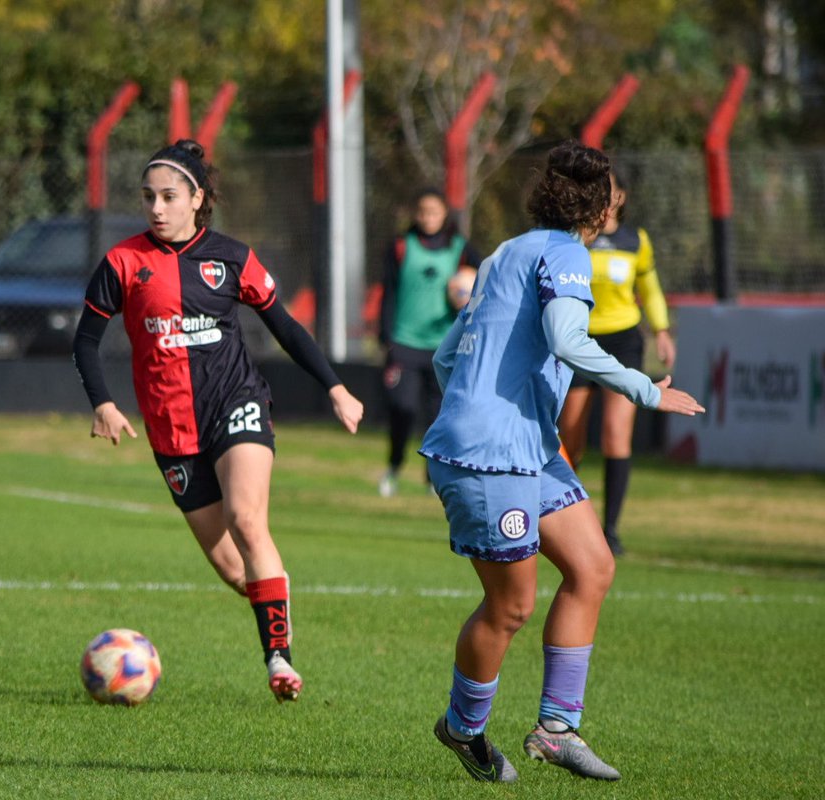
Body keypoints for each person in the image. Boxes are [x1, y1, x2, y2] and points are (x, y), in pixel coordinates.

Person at [419, 141, 703, 781]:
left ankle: (556, 729)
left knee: (592, 564)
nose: (618, 209)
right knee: (511, 607)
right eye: (615, 200)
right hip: (492, 459)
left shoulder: (504, 252)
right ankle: (464, 729)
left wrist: (478, 408)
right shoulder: (568, 254)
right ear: (599, 207)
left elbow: (446, 356)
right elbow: (567, 339)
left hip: (528, 451)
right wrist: (644, 388)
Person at [72, 139, 364, 703]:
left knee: (247, 519)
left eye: (169, 196)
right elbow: (86, 340)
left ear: (196, 198)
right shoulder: (122, 263)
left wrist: (335, 386)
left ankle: (278, 658)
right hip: (171, 430)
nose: (156, 208)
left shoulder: (232, 257)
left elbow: (285, 326)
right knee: (235, 570)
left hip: (236, 403)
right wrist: (103, 402)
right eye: (148, 197)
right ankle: (274, 598)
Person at [557, 170, 675, 555]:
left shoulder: (635, 241)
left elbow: (650, 289)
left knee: (615, 435)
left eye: (611, 193)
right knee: (570, 438)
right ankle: (559, 519)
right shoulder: (575, 237)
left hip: (623, 341)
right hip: (577, 341)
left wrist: (661, 330)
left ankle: (610, 530)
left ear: (621, 197)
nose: (604, 200)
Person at [377, 188, 480, 499]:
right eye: (423, 212)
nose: (428, 218)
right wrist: (386, 338)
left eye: (434, 212)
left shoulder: (460, 249)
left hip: (445, 346)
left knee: (438, 415)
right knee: (402, 407)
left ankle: (431, 477)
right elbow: (389, 293)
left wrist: (465, 295)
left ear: (444, 214)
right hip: (405, 343)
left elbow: (484, 278)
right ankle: (394, 465)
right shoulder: (400, 247)